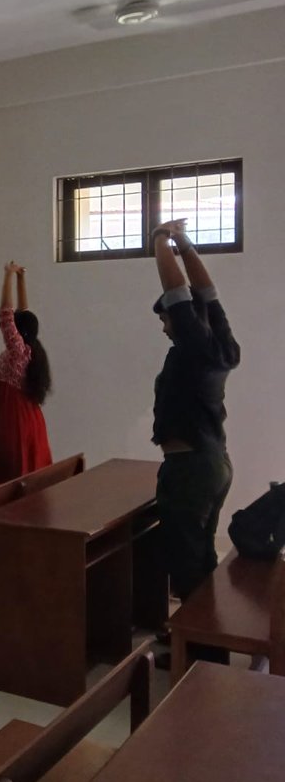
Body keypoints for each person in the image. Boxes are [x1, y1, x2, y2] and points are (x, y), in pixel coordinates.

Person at [150, 220, 239, 606]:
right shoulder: (220, 345)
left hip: (191, 470)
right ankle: (202, 641)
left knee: (186, 564)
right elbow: (208, 293)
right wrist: (183, 243)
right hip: (212, 462)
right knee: (200, 556)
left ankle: (200, 651)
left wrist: (158, 241)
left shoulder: (196, 347)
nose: (165, 327)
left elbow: (180, 293)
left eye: (165, 319)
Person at [0, 262, 52, 484]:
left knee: (12, 474)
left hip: (14, 421)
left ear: (17, 331)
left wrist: (8, 276)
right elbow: (23, 314)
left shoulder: (17, 351)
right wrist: (21, 279)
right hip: (28, 418)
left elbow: (6, 315)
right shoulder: (30, 348)